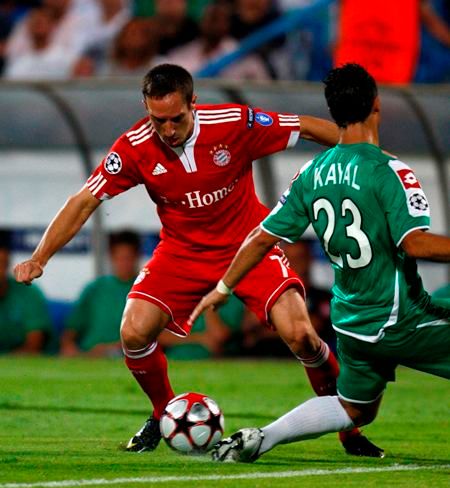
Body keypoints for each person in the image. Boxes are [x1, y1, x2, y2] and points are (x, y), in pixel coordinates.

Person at [14, 63, 380, 457]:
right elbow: (84, 200)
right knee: (133, 332)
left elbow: (307, 126)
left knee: (302, 336)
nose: (167, 130)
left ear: (194, 103)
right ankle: (163, 413)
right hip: (181, 252)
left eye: (176, 118)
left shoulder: (234, 123)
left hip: (248, 244)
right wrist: (40, 257)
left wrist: (371, 159)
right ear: (145, 107)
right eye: (158, 120)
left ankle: (348, 428)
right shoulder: (134, 147)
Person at [189, 63, 450, 462]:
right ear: (376, 104)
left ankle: (263, 437)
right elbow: (415, 244)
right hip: (399, 318)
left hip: (352, 326)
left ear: (333, 113)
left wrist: (223, 288)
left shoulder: (312, 172)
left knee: (355, 409)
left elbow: (260, 238)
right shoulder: (388, 170)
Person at [60, 230, 141, 358]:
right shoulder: (94, 288)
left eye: (128, 258)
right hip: (88, 355)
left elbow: (152, 337)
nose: (124, 263)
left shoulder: (145, 291)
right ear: (111, 258)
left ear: (137, 257)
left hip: (123, 356)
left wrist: (110, 349)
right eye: (119, 258)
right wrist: (69, 347)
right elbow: (71, 330)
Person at [0, 230, 52, 354]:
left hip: (18, 365)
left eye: (1, 265)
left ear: (7, 264)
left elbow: (34, 344)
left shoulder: (28, 292)